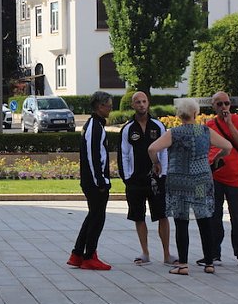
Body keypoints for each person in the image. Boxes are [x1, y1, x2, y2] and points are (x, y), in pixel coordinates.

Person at [148, 98, 231, 275]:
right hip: (200, 180)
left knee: (181, 221)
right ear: (195, 113)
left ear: (179, 115)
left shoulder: (174, 133)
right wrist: (216, 158)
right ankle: (209, 262)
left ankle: (183, 264)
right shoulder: (205, 131)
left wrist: (156, 163)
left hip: (179, 182)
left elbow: (152, 149)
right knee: (204, 218)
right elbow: (228, 146)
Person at [117, 91, 174, 265]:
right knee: (138, 217)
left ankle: (167, 254)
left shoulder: (158, 126)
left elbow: (165, 151)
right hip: (135, 181)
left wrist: (163, 173)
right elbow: (124, 154)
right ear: (133, 105)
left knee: (162, 215)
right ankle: (145, 252)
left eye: (144, 101)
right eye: (137, 102)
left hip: (157, 179)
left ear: (148, 103)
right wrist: (127, 177)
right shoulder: (127, 129)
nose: (141, 104)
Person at [202, 91, 238, 268]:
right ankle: (214, 253)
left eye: (226, 103)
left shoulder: (237, 121)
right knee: (214, 217)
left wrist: (230, 123)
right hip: (215, 177)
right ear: (213, 106)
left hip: (236, 177)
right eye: (219, 104)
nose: (224, 107)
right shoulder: (209, 125)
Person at [68, 91, 114, 271]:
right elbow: (92, 156)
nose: (111, 108)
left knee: (92, 216)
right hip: (95, 183)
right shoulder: (94, 126)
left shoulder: (95, 125)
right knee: (97, 218)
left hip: (94, 181)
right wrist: (100, 182)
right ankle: (89, 256)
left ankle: (77, 254)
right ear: (100, 106)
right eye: (109, 105)